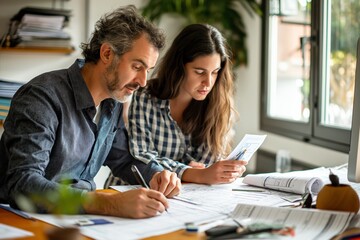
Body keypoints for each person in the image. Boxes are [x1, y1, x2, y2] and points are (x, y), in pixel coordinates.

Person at [0, 5, 181, 219]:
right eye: (136, 66)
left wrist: (157, 175)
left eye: (148, 71)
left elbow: (122, 159)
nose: (143, 82)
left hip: (80, 220)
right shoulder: (42, 97)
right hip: (25, 221)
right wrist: (109, 204)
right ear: (106, 54)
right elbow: (23, 183)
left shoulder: (112, 102)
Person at [105, 23, 247, 187]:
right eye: (199, 72)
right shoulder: (143, 96)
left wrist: (220, 171)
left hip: (183, 199)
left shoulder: (218, 106)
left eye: (215, 72)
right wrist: (193, 173)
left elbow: (207, 166)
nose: (208, 82)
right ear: (179, 67)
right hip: (129, 190)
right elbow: (141, 158)